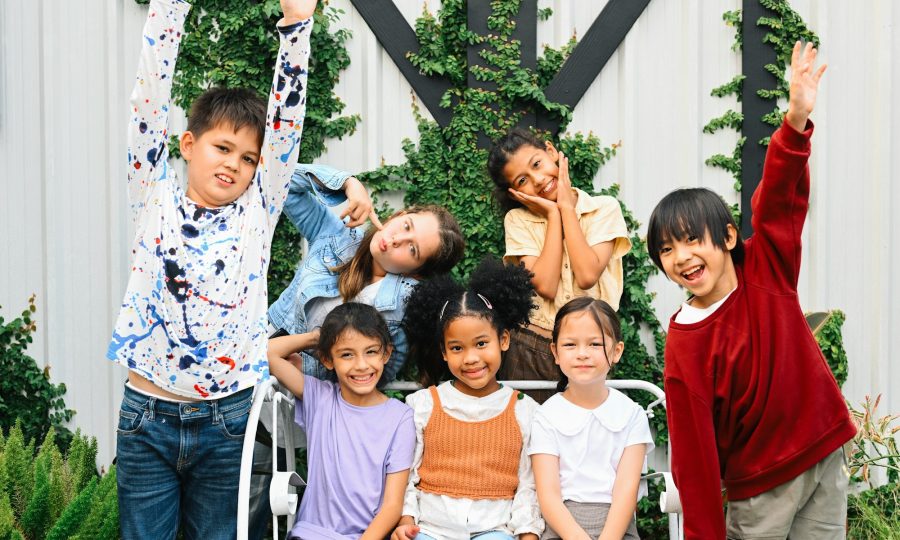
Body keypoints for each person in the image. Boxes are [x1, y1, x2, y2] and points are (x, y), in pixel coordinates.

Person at [109, 0, 315, 536]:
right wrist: (171, 8)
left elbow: (287, 123)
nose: (235, 163)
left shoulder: (259, 210)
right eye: (223, 148)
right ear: (189, 145)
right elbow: (147, 104)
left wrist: (297, 26)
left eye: (248, 158)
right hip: (146, 416)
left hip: (227, 422)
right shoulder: (152, 196)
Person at [645, 42, 856, 539]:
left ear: (727, 237)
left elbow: (778, 196)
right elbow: (693, 459)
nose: (682, 257)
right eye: (668, 251)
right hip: (760, 487)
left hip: (823, 450)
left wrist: (797, 122)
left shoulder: (766, 267)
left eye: (692, 240)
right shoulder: (685, 343)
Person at [248, 165, 466, 537]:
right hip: (249, 368)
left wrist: (319, 362)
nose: (397, 240)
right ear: (398, 215)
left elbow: (376, 375)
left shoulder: (402, 308)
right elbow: (282, 179)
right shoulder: (337, 236)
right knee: (234, 495)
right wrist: (348, 184)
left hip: (304, 403)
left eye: (412, 249)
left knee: (260, 497)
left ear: (416, 272)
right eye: (407, 225)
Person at [392, 258, 543, 540]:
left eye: (482, 343)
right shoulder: (423, 404)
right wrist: (405, 519)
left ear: (504, 340)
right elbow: (406, 473)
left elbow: (528, 484)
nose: (471, 358)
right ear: (444, 351)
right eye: (457, 347)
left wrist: (527, 534)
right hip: (430, 530)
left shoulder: (525, 409)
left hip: (494, 530)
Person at [487, 132, 631, 401]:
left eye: (537, 164)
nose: (538, 180)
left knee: (587, 435)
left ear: (551, 151)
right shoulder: (518, 220)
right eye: (522, 180)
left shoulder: (603, 209)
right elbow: (547, 286)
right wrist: (553, 215)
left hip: (592, 347)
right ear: (516, 193)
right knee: (532, 438)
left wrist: (565, 207)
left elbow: (588, 275)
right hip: (531, 347)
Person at [268, 303, 416, 539]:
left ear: (386, 353)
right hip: (313, 534)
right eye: (347, 354)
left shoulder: (400, 417)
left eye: (371, 351)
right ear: (327, 359)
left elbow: (392, 506)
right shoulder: (320, 397)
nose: (361, 365)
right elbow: (267, 352)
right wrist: (318, 337)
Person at [529, 298, 653, 539]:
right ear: (555, 352)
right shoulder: (545, 416)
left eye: (595, 344)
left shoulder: (632, 414)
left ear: (617, 351)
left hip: (617, 527)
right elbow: (549, 496)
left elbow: (626, 492)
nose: (582, 354)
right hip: (562, 527)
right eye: (570, 344)